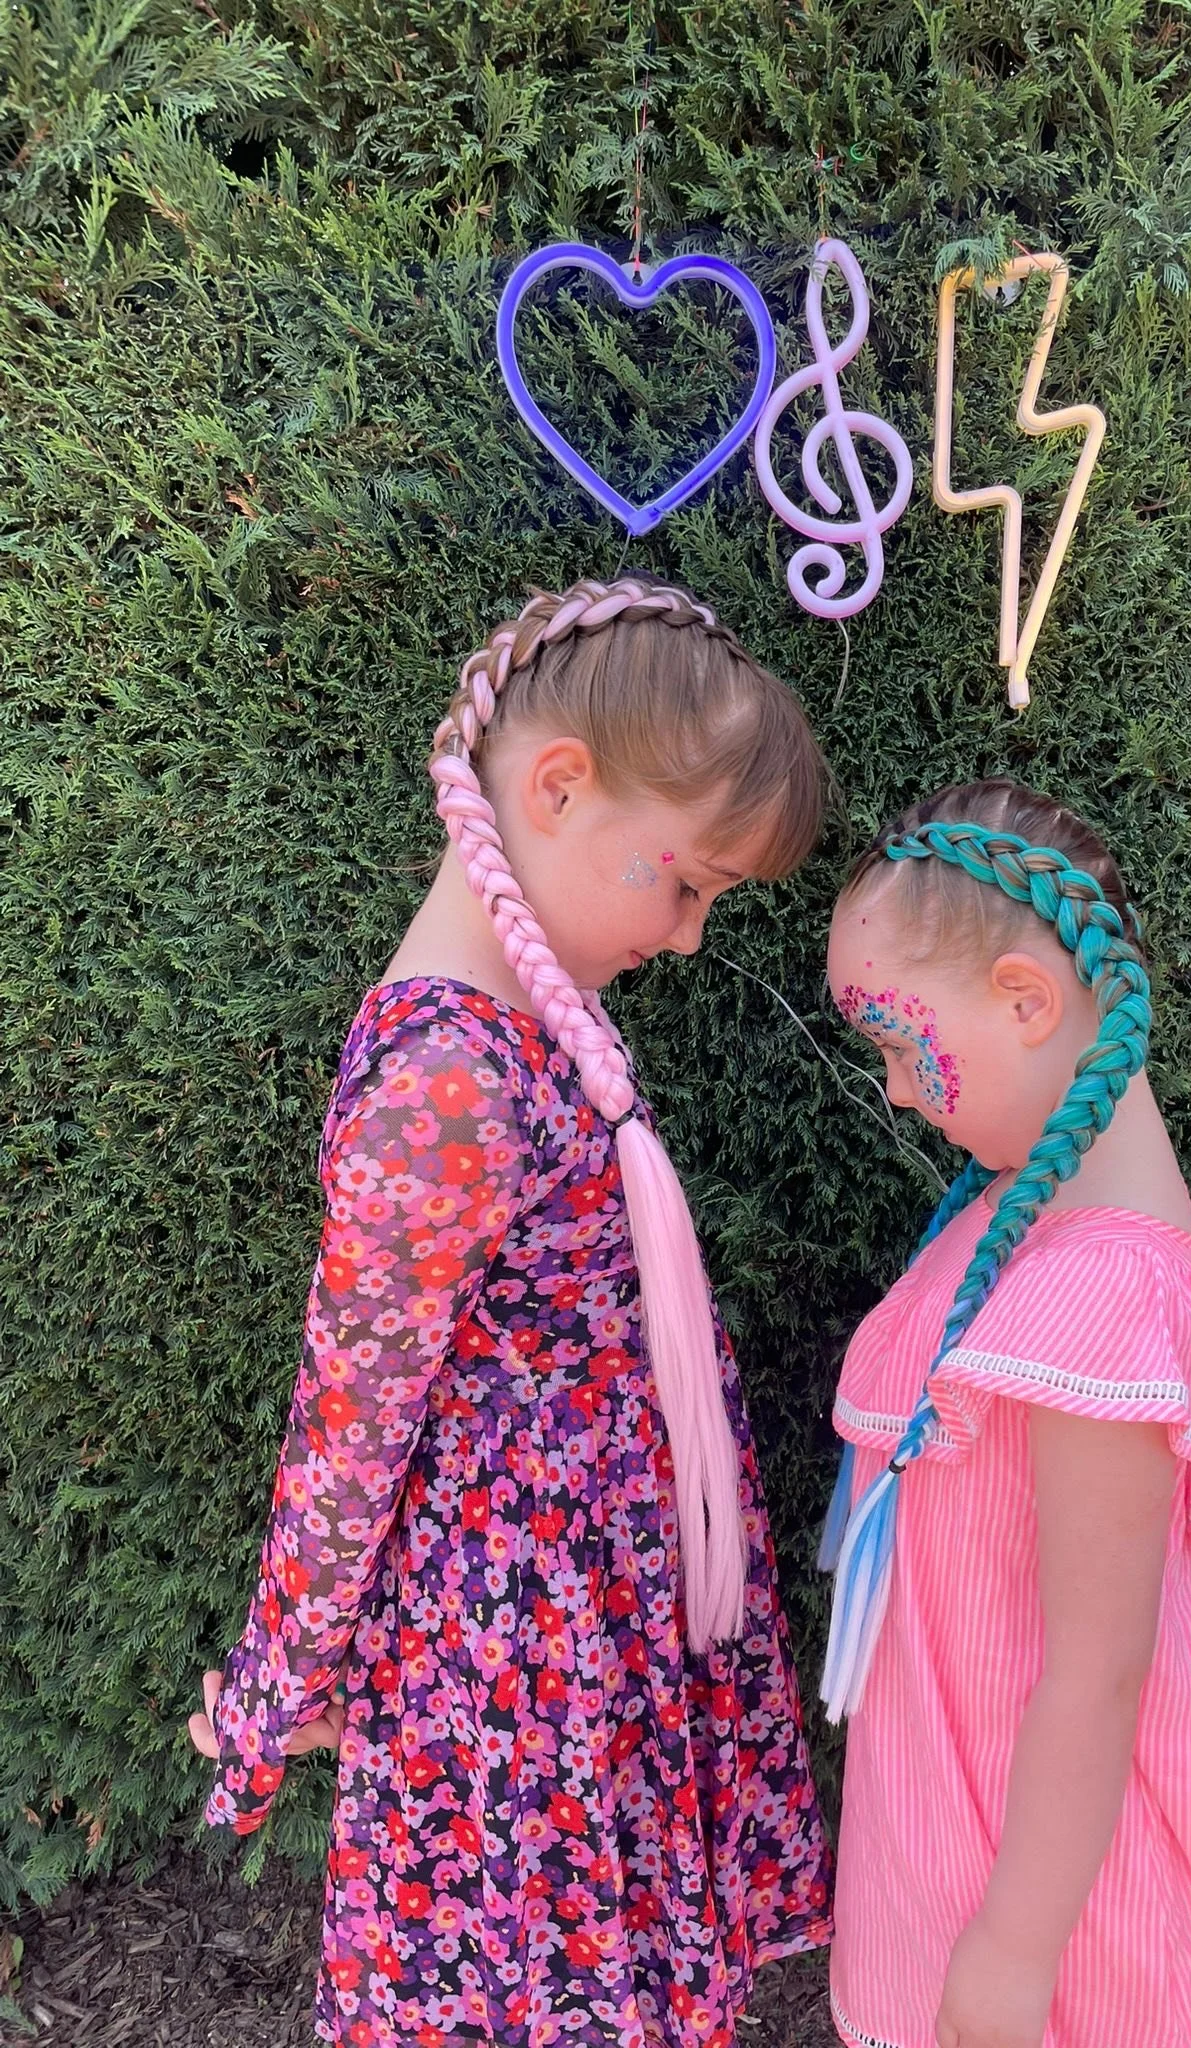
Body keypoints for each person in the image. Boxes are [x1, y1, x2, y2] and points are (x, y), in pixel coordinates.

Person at [187, 576, 834, 2048]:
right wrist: (279, 1687)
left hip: (574, 1623)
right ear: (556, 786)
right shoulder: (446, 1085)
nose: (689, 937)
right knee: (531, 1990)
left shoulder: (529, 1027)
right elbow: (350, 1429)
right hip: (515, 1663)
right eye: (688, 884)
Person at [818, 779, 1191, 2048]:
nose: (897, 1091)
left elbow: (1098, 1670)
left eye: (899, 1044)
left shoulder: (1103, 1297)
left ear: (1028, 1000)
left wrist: (1014, 1950)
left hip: (1052, 1913)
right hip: (952, 1820)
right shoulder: (1022, 1220)